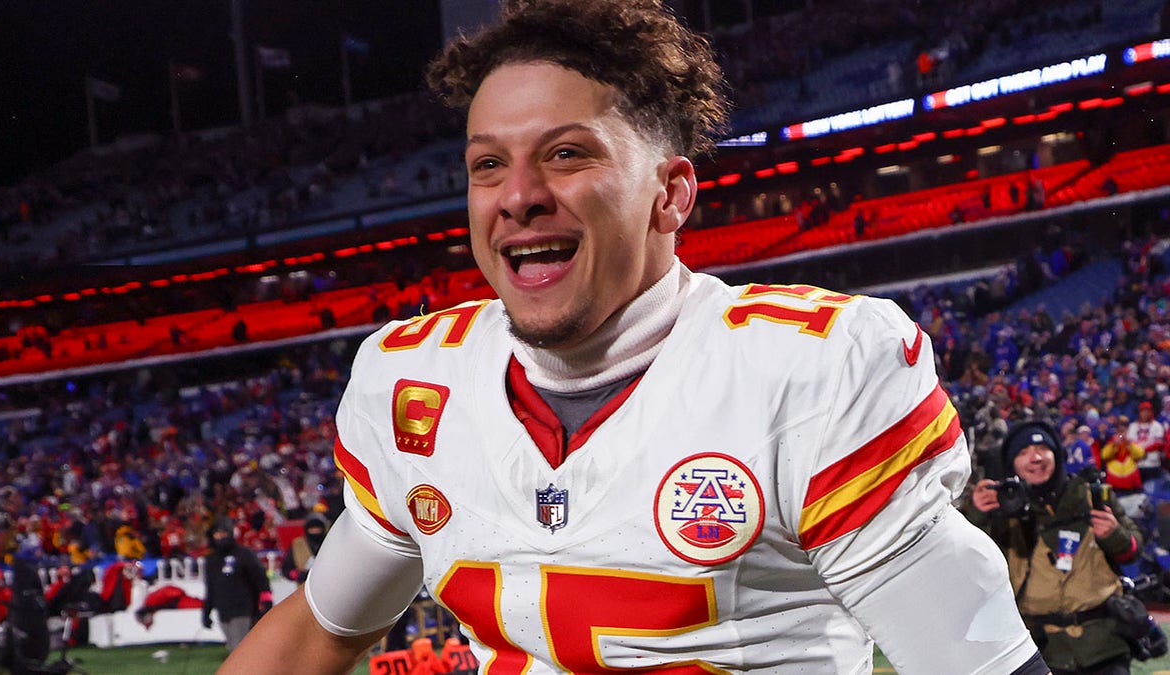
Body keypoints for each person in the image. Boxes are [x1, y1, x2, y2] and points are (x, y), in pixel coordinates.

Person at [220, 1, 1046, 673]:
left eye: (567, 154)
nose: (519, 196)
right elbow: (318, 631)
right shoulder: (412, 381)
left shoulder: (808, 371)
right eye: (487, 165)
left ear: (670, 194)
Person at [968, 421, 1142, 674]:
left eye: (1041, 448)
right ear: (1011, 464)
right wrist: (975, 513)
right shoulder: (1002, 507)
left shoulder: (1089, 495)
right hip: (1040, 649)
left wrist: (1114, 535)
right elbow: (969, 565)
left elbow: (1133, 549)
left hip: (1103, 645)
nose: (1035, 458)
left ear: (1056, 454)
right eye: (1023, 452)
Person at [202, 519, 273, 652]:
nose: (220, 537)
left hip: (243, 609)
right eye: (217, 534)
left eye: (223, 533)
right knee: (232, 647)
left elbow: (261, 579)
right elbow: (210, 587)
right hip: (223, 611)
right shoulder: (211, 559)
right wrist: (206, 612)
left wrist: (266, 600)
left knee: (239, 648)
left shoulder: (244, 554)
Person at [281, 512, 329, 585]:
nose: (315, 531)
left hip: (328, 584)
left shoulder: (330, 542)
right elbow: (286, 568)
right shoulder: (297, 544)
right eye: (312, 528)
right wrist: (296, 575)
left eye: (317, 528)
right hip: (305, 588)